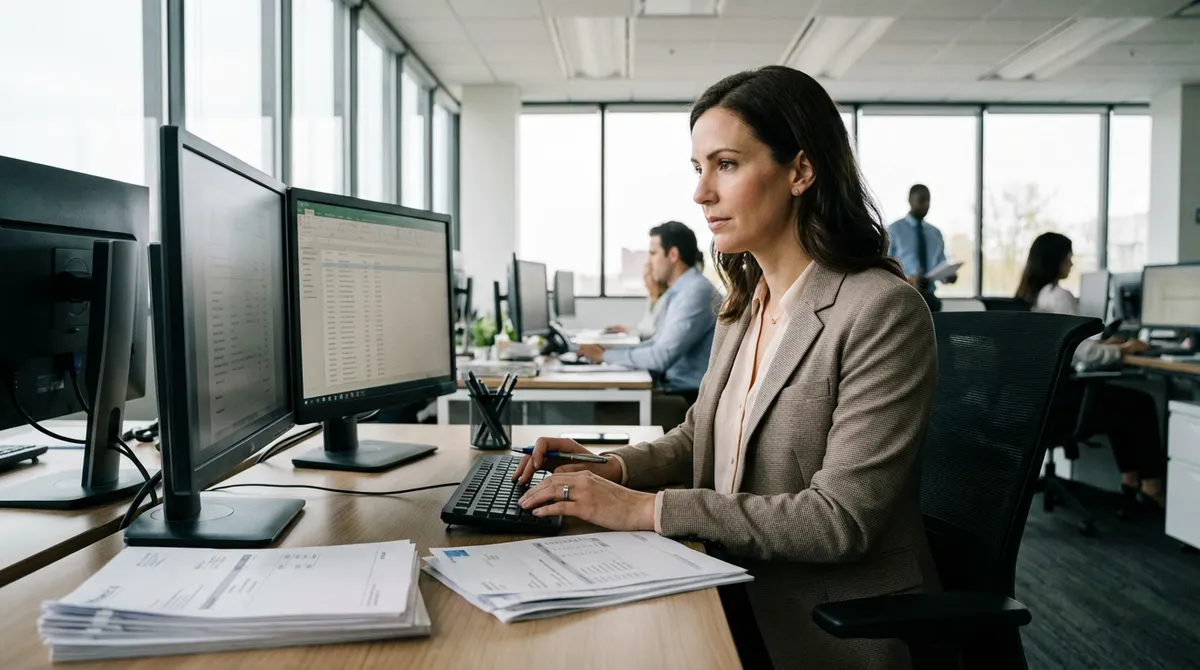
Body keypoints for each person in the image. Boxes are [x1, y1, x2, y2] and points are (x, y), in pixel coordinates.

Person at [514, 66, 940, 669]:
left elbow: (839, 520)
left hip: (822, 623)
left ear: (800, 171)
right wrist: (608, 465)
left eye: (727, 164)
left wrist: (645, 510)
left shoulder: (881, 310)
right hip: (721, 577)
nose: (701, 193)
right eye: (698, 168)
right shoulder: (743, 305)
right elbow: (700, 438)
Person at [1017, 232, 1166, 513]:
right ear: (1055, 260)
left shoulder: (1030, 296)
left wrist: (1108, 345)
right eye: (1068, 257)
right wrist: (1125, 349)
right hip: (1064, 405)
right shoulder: (1059, 296)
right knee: (1140, 404)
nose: (1071, 263)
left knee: (1122, 403)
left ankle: (1130, 481)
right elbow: (1084, 354)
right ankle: (1150, 486)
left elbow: (1070, 347)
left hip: (1040, 402)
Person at [578, 220, 718, 400]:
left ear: (673, 255)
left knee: (603, 408)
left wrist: (605, 355)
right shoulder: (681, 291)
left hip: (688, 398)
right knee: (606, 401)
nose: (650, 262)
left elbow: (660, 357)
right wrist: (609, 351)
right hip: (673, 387)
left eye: (653, 253)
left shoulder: (696, 292)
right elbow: (656, 343)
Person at [887, 184, 956, 311]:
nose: (925, 205)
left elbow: (940, 265)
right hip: (904, 297)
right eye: (921, 200)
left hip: (930, 299)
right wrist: (909, 279)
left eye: (928, 200)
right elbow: (886, 267)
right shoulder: (893, 230)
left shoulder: (935, 233)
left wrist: (947, 276)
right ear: (910, 200)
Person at [605, 261, 670, 340]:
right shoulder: (651, 300)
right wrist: (624, 329)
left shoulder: (666, 300)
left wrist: (627, 330)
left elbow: (653, 333)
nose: (644, 281)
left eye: (647, 276)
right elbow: (644, 327)